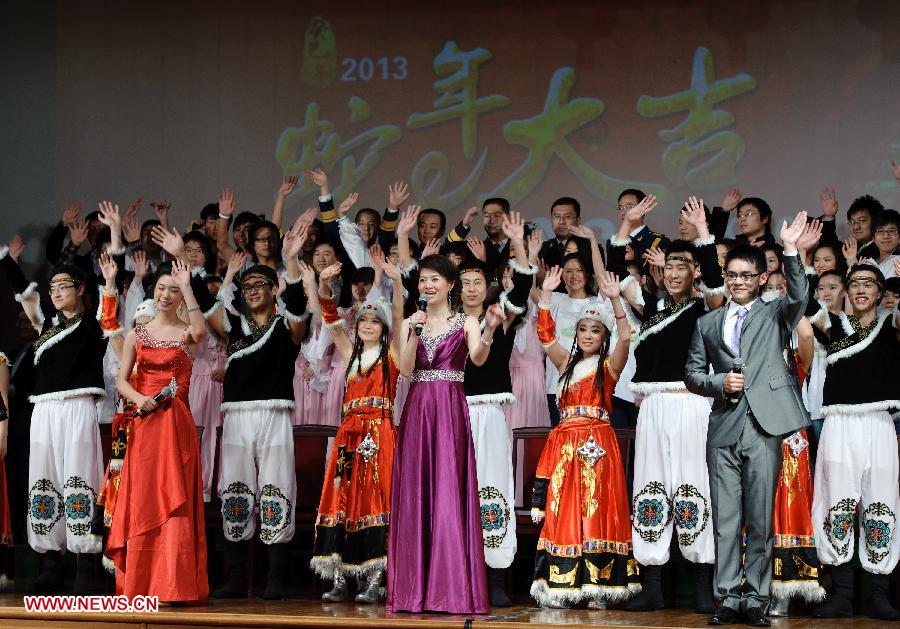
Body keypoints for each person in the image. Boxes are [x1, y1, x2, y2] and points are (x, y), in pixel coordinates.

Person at [685, 211, 811, 627]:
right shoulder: (707, 322)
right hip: (723, 427)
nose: (738, 281)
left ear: (760, 278)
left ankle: (756, 598)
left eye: (746, 275)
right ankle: (726, 597)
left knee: (759, 518)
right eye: (732, 275)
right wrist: (720, 382)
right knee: (725, 519)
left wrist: (791, 250)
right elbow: (692, 374)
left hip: (763, 427)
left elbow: (799, 295)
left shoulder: (776, 313)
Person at [608, 196, 726, 613]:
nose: (675, 273)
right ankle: (652, 584)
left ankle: (701, 583)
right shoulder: (651, 305)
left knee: (695, 486)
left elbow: (716, 281)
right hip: (654, 407)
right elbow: (615, 269)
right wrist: (629, 224)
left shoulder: (706, 309)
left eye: (683, 267)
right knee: (651, 486)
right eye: (669, 266)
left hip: (694, 404)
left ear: (693, 273)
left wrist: (705, 234)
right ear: (661, 270)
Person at [386, 254, 497, 614]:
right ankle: (413, 590)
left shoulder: (467, 321)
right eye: (423, 280)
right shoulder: (408, 323)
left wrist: (491, 329)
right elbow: (404, 369)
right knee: (417, 491)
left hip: (449, 408)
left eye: (435, 280)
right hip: (418, 408)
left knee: (449, 488)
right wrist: (413, 332)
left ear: (451, 285)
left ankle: (449, 589)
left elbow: (478, 359)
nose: (428, 286)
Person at [206, 224, 310, 600]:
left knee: (276, 486)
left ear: (273, 290)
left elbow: (299, 312)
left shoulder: (286, 327)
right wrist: (218, 277)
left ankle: (275, 577)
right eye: (246, 288)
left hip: (275, 415)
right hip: (236, 416)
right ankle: (236, 576)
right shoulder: (233, 326)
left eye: (258, 286)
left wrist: (292, 264)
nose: (251, 293)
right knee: (234, 488)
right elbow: (207, 311)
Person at [14, 237, 122, 594]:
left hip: (77, 407)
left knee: (80, 478)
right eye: (53, 287)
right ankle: (49, 563)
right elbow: (26, 298)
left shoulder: (91, 325)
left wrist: (108, 281)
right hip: (43, 408)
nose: (57, 292)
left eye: (64, 286)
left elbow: (110, 318)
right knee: (44, 480)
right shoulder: (48, 325)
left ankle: (85, 568)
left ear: (79, 289)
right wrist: (10, 263)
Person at [530, 267, 639, 608]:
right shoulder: (564, 363)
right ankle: (562, 585)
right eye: (583, 329)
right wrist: (546, 295)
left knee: (596, 509)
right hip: (564, 446)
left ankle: (598, 585)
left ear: (602, 336)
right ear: (575, 333)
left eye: (595, 330)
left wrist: (615, 301)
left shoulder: (609, 366)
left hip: (596, 447)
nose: (589, 334)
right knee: (562, 510)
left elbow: (625, 337)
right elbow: (546, 335)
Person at [105, 259, 208, 602]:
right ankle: (142, 585)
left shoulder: (187, 333)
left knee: (174, 500)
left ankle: (173, 585)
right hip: (145, 424)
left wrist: (188, 284)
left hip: (176, 426)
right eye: (161, 288)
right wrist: (140, 399)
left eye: (173, 289)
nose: (166, 295)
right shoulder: (137, 334)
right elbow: (121, 380)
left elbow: (201, 331)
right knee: (144, 497)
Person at [808, 264, 900, 620]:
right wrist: (794, 252)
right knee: (837, 502)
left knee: (881, 500)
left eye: (869, 283)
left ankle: (879, 593)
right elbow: (800, 303)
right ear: (847, 291)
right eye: (856, 283)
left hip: (878, 424)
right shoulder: (830, 324)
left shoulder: (891, 325)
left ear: (880, 292)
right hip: (839, 423)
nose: (862, 288)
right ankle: (842, 594)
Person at [310, 256, 404, 603]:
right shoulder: (349, 352)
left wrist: (394, 282)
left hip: (379, 436)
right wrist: (324, 286)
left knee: (376, 498)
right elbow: (331, 318)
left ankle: (375, 579)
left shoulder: (391, 355)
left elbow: (398, 316)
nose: (367, 325)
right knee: (342, 495)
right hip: (349, 438)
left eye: (373, 322)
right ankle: (340, 578)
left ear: (382, 328)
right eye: (362, 320)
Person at [457, 211, 535, 606]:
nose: (471, 288)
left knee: (493, 488)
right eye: (464, 282)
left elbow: (521, 287)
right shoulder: (446, 322)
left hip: (488, 414)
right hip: (449, 415)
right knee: (450, 494)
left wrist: (518, 244)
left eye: (477, 282)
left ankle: (496, 577)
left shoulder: (498, 317)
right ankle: (452, 573)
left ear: (486, 286)